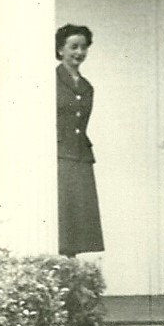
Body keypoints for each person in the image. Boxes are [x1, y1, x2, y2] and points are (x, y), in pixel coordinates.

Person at [56, 23, 104, 256]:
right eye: (73, 47)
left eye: (83, 47)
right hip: (58, 156)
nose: (79, 52)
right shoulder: (49, 81)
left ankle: (71, 279)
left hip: (80, 156)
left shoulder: (87, 87)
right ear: (60, 49)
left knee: (78, 222)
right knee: (61, 218)